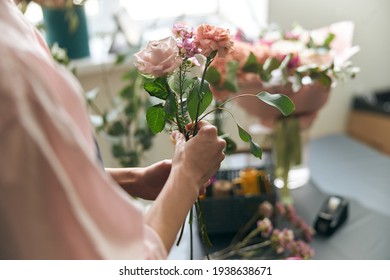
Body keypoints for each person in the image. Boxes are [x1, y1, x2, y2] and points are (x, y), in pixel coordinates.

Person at [0, 0, 226, 259]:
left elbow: (24, 183)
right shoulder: (12, 75)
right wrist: (187, 175)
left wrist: (131, 179)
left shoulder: (12, 24)